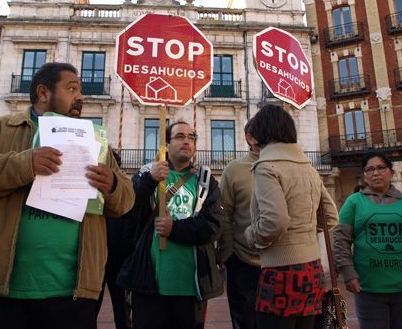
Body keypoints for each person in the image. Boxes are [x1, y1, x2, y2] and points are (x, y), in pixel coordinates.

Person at [0, 62, 135, 329]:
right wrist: (24, 165)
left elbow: (126, 201)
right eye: (71, 88)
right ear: (43, 93)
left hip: (76, 295)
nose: (80, 96)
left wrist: (112, 184)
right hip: (4, 293)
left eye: (79, 90)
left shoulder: (93, 140)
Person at [117, 120, 224, 329]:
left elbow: (214, 225)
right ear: (166, 143)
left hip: (191, 288)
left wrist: (175, 230)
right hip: (149, 284)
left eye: (191, 137)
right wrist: (149, 181)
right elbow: (127, 211)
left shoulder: (205, 180)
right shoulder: (147, 172)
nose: (187, 141)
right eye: (180, 136)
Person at [244, 105, 338, 329]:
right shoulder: (309, 168)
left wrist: (250, 235)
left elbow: (274, 221)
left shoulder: (267, 167)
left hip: (281, 271)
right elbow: (331, 217)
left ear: (260, 134)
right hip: (313, 269)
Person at [334, 151, 402, 329]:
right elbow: (341, 240)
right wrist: (348, 272)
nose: (375, 173)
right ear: (364, 176)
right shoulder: (354, 202)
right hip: (368, 288)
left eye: (381, 168)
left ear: (391, 173)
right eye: (369, 169)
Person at [218, 118, 261, 329]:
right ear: (250, 138)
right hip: (243, 263)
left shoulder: (288, 166)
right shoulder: (234, 169)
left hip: (281, 262)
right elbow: (224, 213)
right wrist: (229, 253)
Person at [96, 148, 133, 329]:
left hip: (118, 265)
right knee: (89, 311)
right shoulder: (91, 193)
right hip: (97, 264)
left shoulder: (124, 193)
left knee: (123, 314)